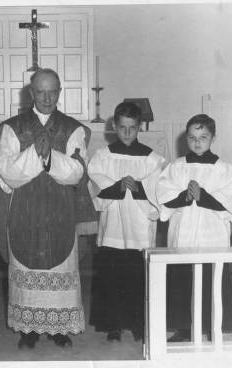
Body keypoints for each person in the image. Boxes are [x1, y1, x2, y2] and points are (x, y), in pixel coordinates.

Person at [0, 68, 90, 349]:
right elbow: (7, 171)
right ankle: (29, 330)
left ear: (60, 92)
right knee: (26, 265)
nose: (47, 97)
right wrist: (35, 154)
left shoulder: (73, 128)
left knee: (61, 266)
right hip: (24, 207)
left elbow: (77, 171)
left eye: (53, 91)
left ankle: (59, 328)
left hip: (60, 207)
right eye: (40, 91)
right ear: (31, 93)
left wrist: (49, 157)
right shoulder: (13, 127)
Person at [156, 114, 232, 341]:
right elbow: (163, 196)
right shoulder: (176, 167)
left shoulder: (224, 169)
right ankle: (184, 327)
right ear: (186, 138)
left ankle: (215, 325)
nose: (197, 142)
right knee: (183, 278)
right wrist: (184, 196)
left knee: (212, 278)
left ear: (213, 138)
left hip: (211, 233)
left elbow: (231, 202)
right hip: (183, 231)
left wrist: (203, 196)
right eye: (192, 137)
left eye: (203, 137)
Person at [87, 102, 165, 342]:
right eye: (123, 128)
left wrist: (139, 188)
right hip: (113, 226)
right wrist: (116, 186)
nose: (128, 133)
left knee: (138, 276)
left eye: (132, 127)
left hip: (139, 227)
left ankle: (139, 323)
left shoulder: (152, 159)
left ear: (140, 127)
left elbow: (158, 191)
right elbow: (95, 183)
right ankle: (113, 324)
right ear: (114, 126)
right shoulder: (103, 156)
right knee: (112, 275)